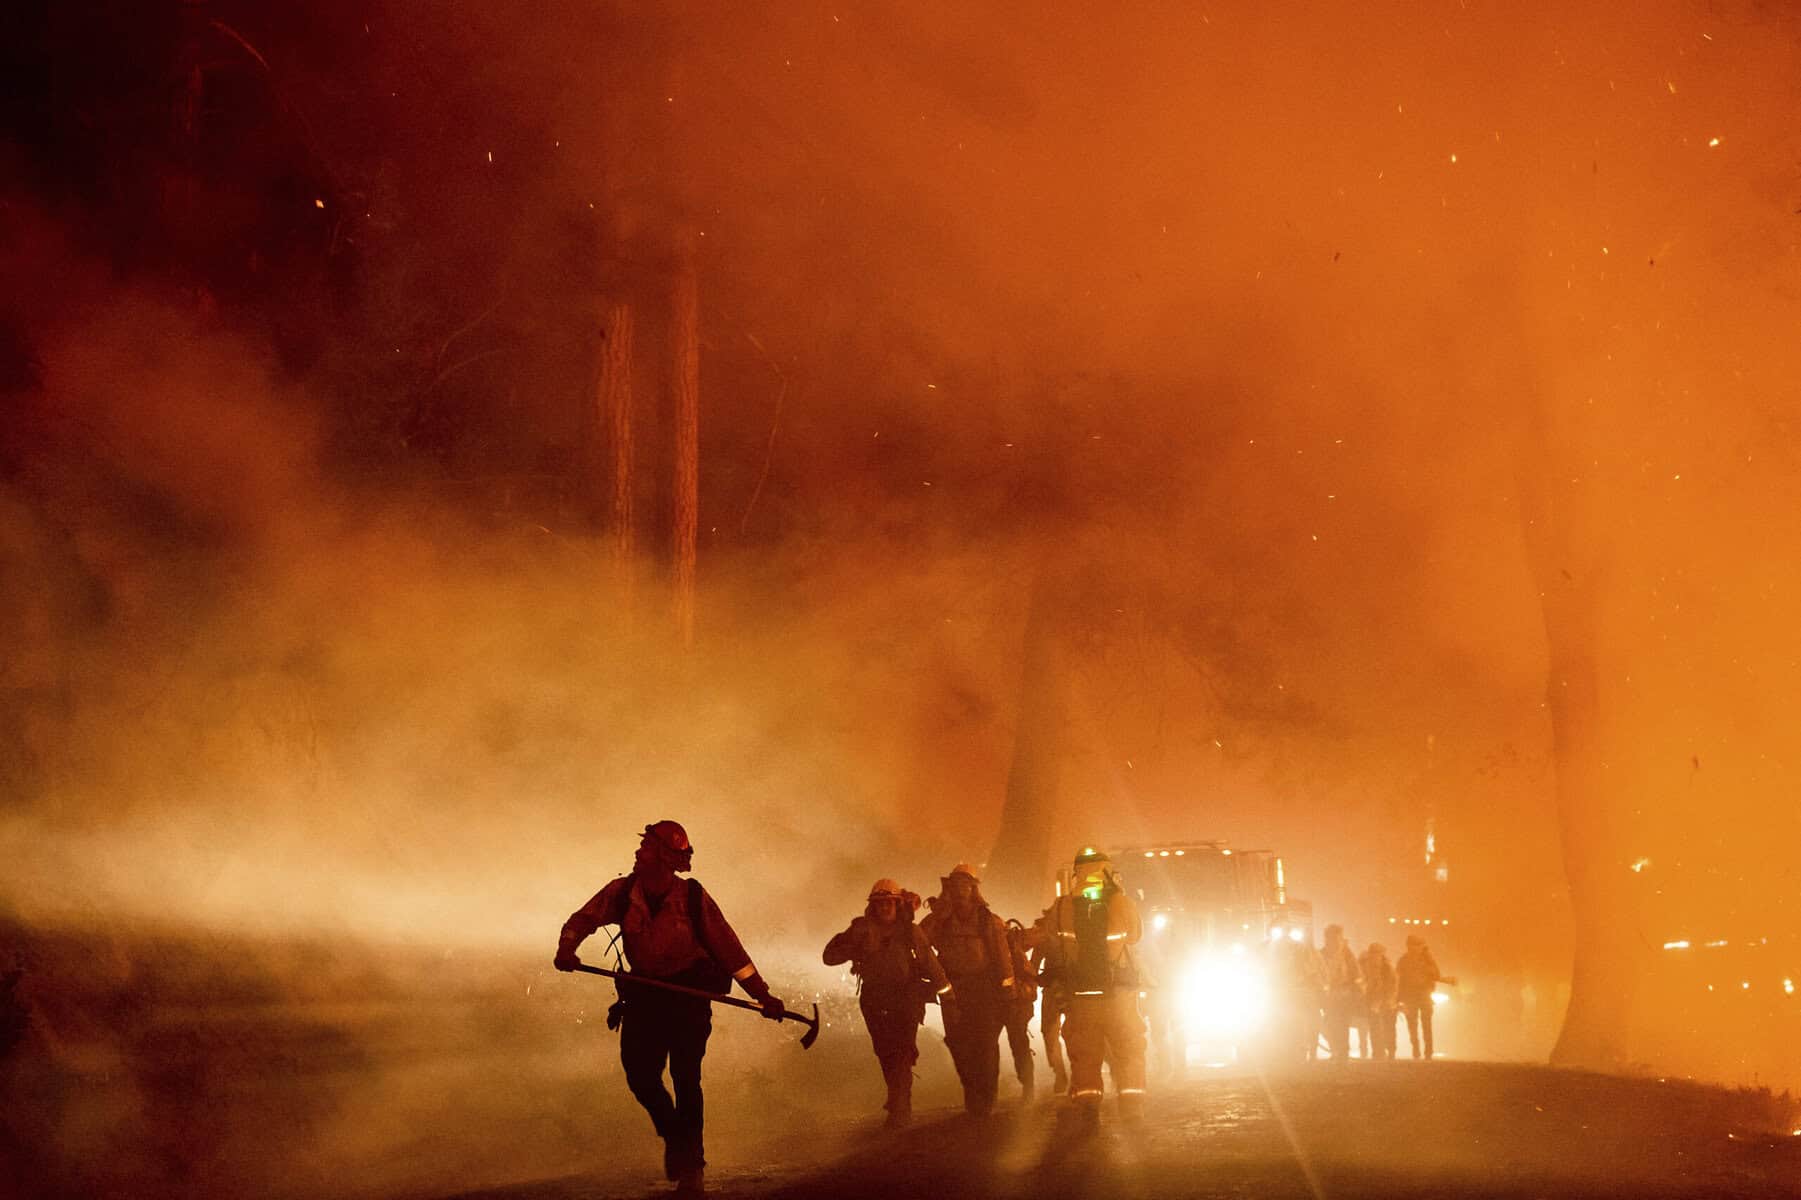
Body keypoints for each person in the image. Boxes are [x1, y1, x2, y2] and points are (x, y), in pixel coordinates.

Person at [555, 820, 786, 1197]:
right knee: (640, 1074)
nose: (637, 852)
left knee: (685, 1077)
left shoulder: (692, 898)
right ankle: (676, 1137)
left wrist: (761, 994)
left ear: (664, 856)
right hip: (645, 997)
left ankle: (692, 1165)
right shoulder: (623, 891)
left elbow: (729, 950)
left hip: (688, 997)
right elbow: (583, 919)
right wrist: (567, 947)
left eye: (645, 847)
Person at [823, 879, 950, 1127]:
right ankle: (897, 1096)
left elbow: (929, 962)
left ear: (897, 904)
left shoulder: (911, 932)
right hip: (874, 999)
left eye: (889, 903)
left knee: (903, 1051)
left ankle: (900, 1106)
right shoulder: (860, 930)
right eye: (879, 904)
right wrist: (852, 947)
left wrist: (947, 992)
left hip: (906, 997)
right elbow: (829, 957)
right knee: (885, 1051)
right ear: (873, 907)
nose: (884, 908)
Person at [1044, 847, 1146, 1128]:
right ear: (1107, 871)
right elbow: (1136, 936)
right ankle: (1131, 1107)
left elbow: (1053, 941)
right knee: (1127, 1047)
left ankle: (1089, 1104)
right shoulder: (1121, 902)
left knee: (1084, 1050)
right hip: (1118, 993)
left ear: (1077, 872)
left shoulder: (1063, 906)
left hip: (1081, 993)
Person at [921, 863, 1016, 1116]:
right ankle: (972, 1092)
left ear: (973, 888)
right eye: (956, 884)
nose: (960, 889)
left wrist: (1008, 989)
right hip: (952, 989)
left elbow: (1002, 957)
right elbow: (920, 941)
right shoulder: (940, 919)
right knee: (957, 1043)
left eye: (965, 884)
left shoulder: (988, 920)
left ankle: (986, 1097)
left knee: (985, 1044)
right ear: (949, 887)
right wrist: (939, 914)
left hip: (984, 989)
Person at [1029, 904, 1071, 1094]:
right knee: (1049, 1032)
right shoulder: (1043, 934)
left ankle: (1077, 1072)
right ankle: (1060, 1073)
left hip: (1072, 987)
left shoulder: (1073, 929)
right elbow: (1034, 963)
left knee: (1076, 1031)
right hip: (1053, 989)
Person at [1001, 918, 1039, 1101]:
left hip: (1015, 1002)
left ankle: (1028, 1087)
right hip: (1002, 1001)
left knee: (1018, 1044)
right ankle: (1027, 1087)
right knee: (1018, 1044)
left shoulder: (1010, 944)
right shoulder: (1009, 944)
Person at [1396, 933, 1445, 1059]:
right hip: (1409, 996)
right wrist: (1399, 999)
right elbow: (1398, 980)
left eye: (1417, 945)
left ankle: (1428, 1051)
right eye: (1412, 945)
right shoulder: (1403, 960)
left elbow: (1436, 975)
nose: (1414, 948)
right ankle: (1416, 1049)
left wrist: (1428, 963)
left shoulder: (1428, 960)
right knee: (1412, 1025)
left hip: (1424, 995)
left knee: (1426, 1024)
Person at [1318, 924, 1362, 1061]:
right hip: (1329, 995)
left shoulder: (1348, 955)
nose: (1335, 942)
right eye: (1331, 938)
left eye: (1337, 938)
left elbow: (1356, 973)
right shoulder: (1321, 954)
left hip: (1344, 995)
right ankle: (1336, 1048)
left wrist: (1354, 990)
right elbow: (1318, 973)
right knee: (1329, 1023)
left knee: (1343, 1024)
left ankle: (1342, 1051)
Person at [1359, 942, 1399, 1060]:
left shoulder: (1388, 968)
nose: (1375, 956)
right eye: (1373, 953)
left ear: (1382, 954)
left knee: (1389, 1028)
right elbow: (1362, 983)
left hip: (1387, 1002)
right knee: (1374, 1027)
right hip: (1372, 1002)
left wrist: (1389, 1000)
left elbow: (1393, 986)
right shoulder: (1364, 967)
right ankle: (1377, 1052)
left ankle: (1391, 1050)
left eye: (1377, 953)